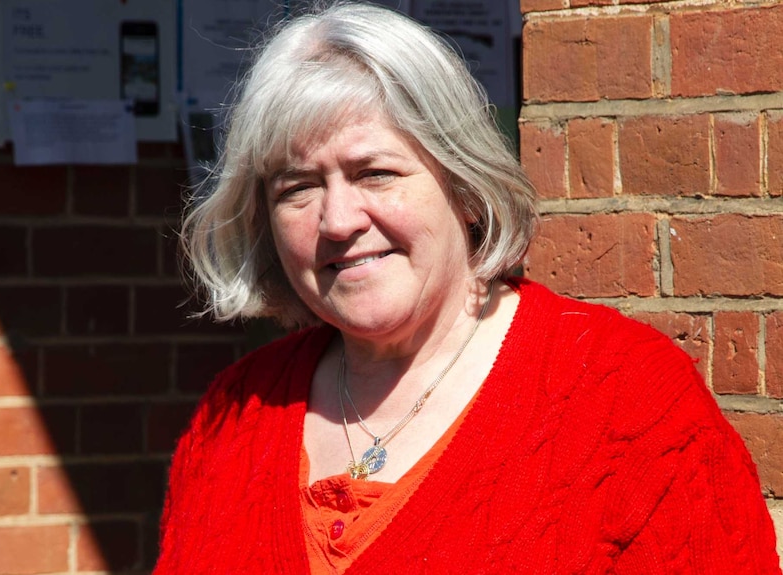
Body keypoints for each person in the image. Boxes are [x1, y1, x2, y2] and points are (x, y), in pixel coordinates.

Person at [153, 2, 781, 573]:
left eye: (374, 173)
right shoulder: (234, 413)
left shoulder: (629, 404)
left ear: (465, 188)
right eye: (297, 187)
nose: (338, 220)